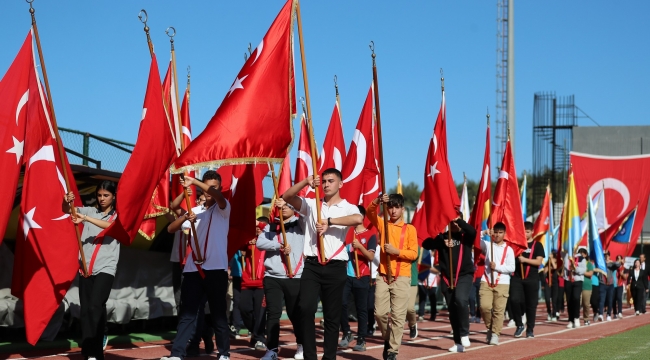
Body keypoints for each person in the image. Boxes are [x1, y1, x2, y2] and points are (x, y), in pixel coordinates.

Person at [282, 169, 363, 360]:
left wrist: (329, 221)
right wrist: (305, 182)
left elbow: (358, 218)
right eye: (324, 181)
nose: (326, 184)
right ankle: (310, 356)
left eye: (331, 181)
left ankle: (329, 357)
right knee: (306, 308)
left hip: (335, 267)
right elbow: (286, 196)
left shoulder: (347, 207)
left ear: (340, 184)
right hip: (312, 265)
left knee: (332, 316)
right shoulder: (311, 204)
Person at [161, 171, 231, 360]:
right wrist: (185, 218)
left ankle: (224, 353)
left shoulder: (223, 208)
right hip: (194, 269)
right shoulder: (196, 210)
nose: (210, 191)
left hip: (216, 270)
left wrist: (197, 182)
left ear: (220, 188)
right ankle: (177, 354)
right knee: (187, 314)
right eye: (207, 186)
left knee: (218, 315)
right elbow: (170, 228)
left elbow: (217, 197)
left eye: (214, 187)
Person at [63, 181, 118, 360]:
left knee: (95, 304)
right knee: (87, 310)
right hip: (86, 268)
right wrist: (66, 201)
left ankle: (99, 341)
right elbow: (67, 210)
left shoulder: (118, 215)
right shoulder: (90, 210)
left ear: (113, 197)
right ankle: (89, 351)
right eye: (100, 195)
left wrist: (85, 219)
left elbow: (110, 227)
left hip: (105, 267)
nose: (102, 199)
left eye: (106, 195)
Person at [366, 193, 417, 360]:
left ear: (402, 209)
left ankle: (393, 351)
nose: (393, 210)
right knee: (379, 313)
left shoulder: (410, 229)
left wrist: (397, 252)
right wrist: (377, 201)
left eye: (397, 207)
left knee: (398, 316)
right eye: (391, 207)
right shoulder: (383, 224)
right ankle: (388, 339)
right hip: (383, 276)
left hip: (402, 277)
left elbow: (414, 254)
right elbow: (369, 212)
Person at [256, 199, 306, 360]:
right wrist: (278, 246)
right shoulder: (271, 226)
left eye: (288, 206)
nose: (284, 208)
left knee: (295, 314)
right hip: (273, 277)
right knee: (273, 313)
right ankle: (271, 350)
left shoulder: (300, 224)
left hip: (295, 276)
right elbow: (259, 243)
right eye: (281, 206)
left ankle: (301, 345)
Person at [422, 212, 477, 353]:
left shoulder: (466, 236)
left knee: (461, 300)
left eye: (457, 221)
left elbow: (473, 231)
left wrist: (459, 220)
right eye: (451, 221)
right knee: (452, 310)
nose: (454, 224)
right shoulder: (443, 236)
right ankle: (458, 342)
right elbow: (426, 243)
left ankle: (464, 333)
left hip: (464, 275)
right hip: (447, 278)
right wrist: (442, 242)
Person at [338, 205, 376, 351]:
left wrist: (360, 246)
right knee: (341, 303)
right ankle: (347, 332)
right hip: (346, 276)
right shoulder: (347, 233)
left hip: (362, 276)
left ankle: (361, 338)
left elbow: (371, 257)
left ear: (362, 217)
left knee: (362, 309)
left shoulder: (371, 234)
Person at [478, 222, 515, 346]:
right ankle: (490, 327)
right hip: (486, 280)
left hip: (503, 282)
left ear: (504, 234)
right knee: (484, 307)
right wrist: (484, 232)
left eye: (500, 232)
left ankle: (495, 334)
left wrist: (497, 267)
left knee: (499, 311)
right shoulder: (488, 245)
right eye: (496, 232)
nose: (498, 235)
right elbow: (473, 240)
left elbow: (512, 268)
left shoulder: (509, 250)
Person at [510, 221, 545, 338]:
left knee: (531, 305)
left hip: (532, 279)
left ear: (532, 232)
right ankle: (519, 324)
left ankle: (530, 329)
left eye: (528, 231)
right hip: (517, 278)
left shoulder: (537, 245)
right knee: (514, 300)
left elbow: (539, 261)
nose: (525, 234)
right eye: (523, 231)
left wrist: (525, 260)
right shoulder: (517, 245)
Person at [239, 219, 267, 352]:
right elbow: (239, 244)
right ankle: (255, 333)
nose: (257, 229)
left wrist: (256, 222)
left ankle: (260, 338)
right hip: (247, 281)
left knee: (259, 312)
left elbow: (265, 226)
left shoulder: (269, 239)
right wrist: (247, 241)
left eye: (259, 227)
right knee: (244, 309)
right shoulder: (250, 239)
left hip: (262, 283)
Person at [564, 248, 587, 329]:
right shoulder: (566, 256)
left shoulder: (581, 258)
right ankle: (571, 320)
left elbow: (583, 270)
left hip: (578, 280)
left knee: (576, 298)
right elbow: (565, 266)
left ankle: (576, 317)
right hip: (568, 280)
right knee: (569, 300)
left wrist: (575, 268)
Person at [417, 250, 439, 321]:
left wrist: (428, 268)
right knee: (422, 298)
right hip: (422, 281)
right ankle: (421, 314)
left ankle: (433, 315)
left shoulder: (436, 260)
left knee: (433, 299)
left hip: (432, 282)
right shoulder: (424, 258)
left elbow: (438, 270)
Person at [405, 246, 421, 340]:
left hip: (412, 281)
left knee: (409, 308)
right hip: (397, 280)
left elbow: (412, 256)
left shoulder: (416, 247)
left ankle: (412, 324)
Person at [542, 251, 559, 322]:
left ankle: (554, 314)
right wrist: (549, 265)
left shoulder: (557, 262)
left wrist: (551, 261)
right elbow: (544, 271)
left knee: (554, 300)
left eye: (551, 255)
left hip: (555, 283)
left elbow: (555, 267)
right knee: (547, 299)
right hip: (547, 283)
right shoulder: (547, 263)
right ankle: (549, 312)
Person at [581, 252, 594, 326]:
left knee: (586, 304)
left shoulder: (589, 264)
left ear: (586, 255)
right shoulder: (577, 263)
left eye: (582, 254)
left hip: (586, 287)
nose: (581, 255)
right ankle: (575, 318)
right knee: (577, 303)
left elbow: (590, 273)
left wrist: (581, 271)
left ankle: (586, 318)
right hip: (578, 286)